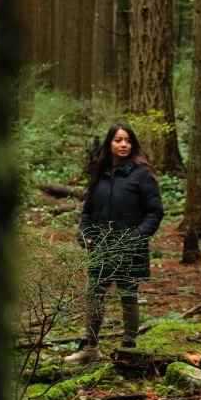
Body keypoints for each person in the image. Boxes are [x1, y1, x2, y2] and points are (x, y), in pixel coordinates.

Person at [65, 122, 164, 363]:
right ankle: (90, 348)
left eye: (128, 140)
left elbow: (155, 212)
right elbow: (87, 212)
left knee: (128, 296)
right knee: (94, 295)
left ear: (133, 145)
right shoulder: (99, 173)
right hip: (100, 247)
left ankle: (129, 349)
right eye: (118, 140)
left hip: (130, 247)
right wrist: (85, 234)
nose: (123, 145)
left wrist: (136, 237)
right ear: (109, 143)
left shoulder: (142, 174)